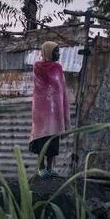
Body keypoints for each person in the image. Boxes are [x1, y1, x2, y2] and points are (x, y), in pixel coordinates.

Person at [29, 40, 70, 178]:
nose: (58, 54)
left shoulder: (58, 68)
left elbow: (61, 88)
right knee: (42, 138)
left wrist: (62, 105)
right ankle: (41, 168)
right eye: (55, 51)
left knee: (53, 139)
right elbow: (44, 84)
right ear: (47, 52)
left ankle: (50, 167)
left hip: (55, 109)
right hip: (42, 110)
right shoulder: (38, 66)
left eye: (58, 51)